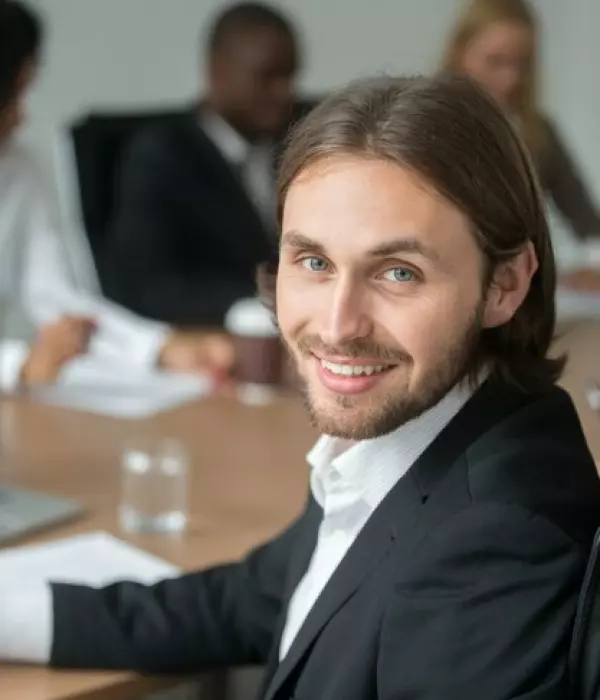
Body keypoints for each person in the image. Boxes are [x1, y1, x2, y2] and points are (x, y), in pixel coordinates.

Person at [2, 74, 599, 699]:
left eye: (399, 272)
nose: (338, 326)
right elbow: (254, 600)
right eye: (314, 262)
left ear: (504, 285)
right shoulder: (415, 436)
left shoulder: (494, 542)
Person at [0, 1, 234, 390]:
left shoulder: (19, 168)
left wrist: (160, 347)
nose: (20, 116)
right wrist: (19, 366)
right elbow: (29, 363)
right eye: (13, 94)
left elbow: (56, 300)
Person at [103, 2, 309, 326]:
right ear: (216, 71)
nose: (285, 92)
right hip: (218, 338)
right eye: (268, 76)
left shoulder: (302, 137)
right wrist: (267, 299)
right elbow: (150, 287)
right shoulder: (162, 156)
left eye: (290, 76)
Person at [442, 0, 600, 243]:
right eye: (495, 61)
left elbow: (587, 222)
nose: (510, 78)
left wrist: (591, 262)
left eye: (522, 63)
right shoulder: (425, 126)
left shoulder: (538, 132)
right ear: (460, 53)